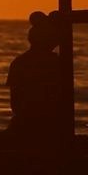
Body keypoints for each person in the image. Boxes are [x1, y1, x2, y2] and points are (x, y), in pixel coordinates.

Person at [5, 11, 63, 140]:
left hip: (24, 123)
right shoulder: (57, 63)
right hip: (48, 125)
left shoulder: (19, 62)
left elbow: (15, 102)